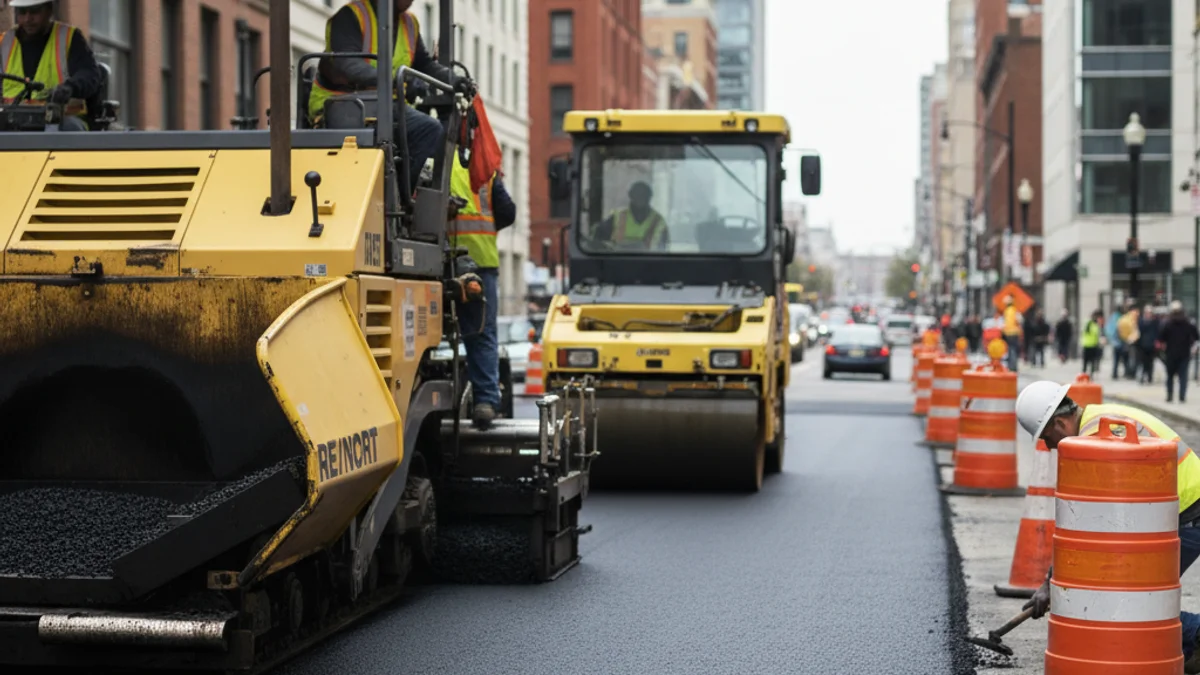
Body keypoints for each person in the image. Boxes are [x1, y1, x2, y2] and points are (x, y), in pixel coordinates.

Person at [1015, 380, 1200, 671]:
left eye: (1048, 438)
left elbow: (1096, 521)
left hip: (1185, 511)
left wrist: (1053, 583)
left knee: (1124, 600)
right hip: (1171, 508)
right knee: (1123, 597)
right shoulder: (1097, 421)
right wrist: (1052, 583)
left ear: (1061, 423)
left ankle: (1191, 636)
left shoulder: (1098, 443)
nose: (1050, 447)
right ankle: (1185, 650)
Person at [308, 0, 475, 193]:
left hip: (384, 107)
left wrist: (454, 80)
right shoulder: (352, 16)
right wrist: (399, 80)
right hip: (341, 105)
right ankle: (397, 198)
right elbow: (348, 65)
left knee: (429, 132)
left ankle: (398, 196)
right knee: (427, 130)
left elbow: (425, 64)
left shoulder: (409, 24)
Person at [447, 152, 515, 429]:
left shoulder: (435, 157)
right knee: (482, 333)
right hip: (482, 263)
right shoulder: (486, 168)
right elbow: (507, 212)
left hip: (442, 260)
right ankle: (486, 402)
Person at [0, 0, 102, 132]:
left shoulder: (70, 38)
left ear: (49, 10)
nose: (27, 19)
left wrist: (69, 88)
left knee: (67, 129)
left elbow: (89, 75)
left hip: (61, 119)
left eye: (35, 11)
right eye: (22, 12)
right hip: (12, 122)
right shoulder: (4, 43)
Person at [592, 182, 668, 251]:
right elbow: (598, 241)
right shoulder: (617, 217)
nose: (640, 198)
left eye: (643, 195)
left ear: (649, 197)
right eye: (637, 195)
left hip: (649, 264)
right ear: (630, 196)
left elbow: (663, 250)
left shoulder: (659, 222)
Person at [1159, 300, 1200, 404]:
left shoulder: (1168, 324)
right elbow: (1196, 337)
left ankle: (1169, 395)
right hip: (1184, 353)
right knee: (1183, 376)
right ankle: (1182, 396)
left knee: (1170, 376)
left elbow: (1161, 338)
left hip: (1171, 354)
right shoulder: (1188, 323)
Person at [1138, 303, 1161, 385]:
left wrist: (1157, 341)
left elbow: (1158, 332)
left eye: (1150, 313)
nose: (1148, 314)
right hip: (1143, 345)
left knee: (1150, 362)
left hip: (1151, 345)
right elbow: (1139, 330)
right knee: (1143, 362)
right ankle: (1142, 377)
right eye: (1147, 313)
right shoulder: (1141, 321)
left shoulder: (1155, 322)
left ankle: (1150, 377)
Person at [1117, 303, 1141, 380]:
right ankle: (1132, 373)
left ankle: (1127, 373)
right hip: (1133, 341)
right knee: (1133, 359)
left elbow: (1119, 330)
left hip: (1124, 340)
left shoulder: (1122, 319)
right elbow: (1135, 330)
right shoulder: (1134, 318)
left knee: (1125, 358)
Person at [1001, 296, 1023, 372]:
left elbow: (1005, 323)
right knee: (1013, 350)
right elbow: (1019, 321)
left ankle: (1011, 366)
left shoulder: (1006, 311)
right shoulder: (1015, 311)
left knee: (1010, 350)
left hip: (1008, 333)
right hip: (1015, 333)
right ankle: (1013, 366)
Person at [1080, 310, 1103, 376]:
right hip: (1092, 345)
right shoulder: (1093, 324)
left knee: (1085, 362)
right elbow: (1096, 333)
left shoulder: (1086, 322)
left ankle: (1084, 375)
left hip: (1086, 344)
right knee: (1092, 361)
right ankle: (1090, 375)